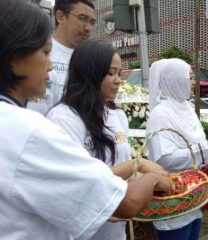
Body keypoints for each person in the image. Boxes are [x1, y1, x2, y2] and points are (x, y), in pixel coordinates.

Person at [0, 1, 172, 239]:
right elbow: (126, 202)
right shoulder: (27, 130)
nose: (50, 66)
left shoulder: (115, 114)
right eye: (45, 52)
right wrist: (150, 175)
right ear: (15, 58)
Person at [47, 39, 152, 240]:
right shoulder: (64, 118)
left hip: (116, 229)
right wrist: (135, 165)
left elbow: (121, 168)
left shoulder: (117, 115)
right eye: (110, 73)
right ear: (89, 73)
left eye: (119, 74)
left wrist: (138, 183)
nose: (118, 80)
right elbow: (76, 183)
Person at [146, 58, 208, 240]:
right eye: (189, 77)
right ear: (174, 80)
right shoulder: (161, 113)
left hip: (193, 195)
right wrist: (207, 146)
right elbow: (164, 158)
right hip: (173, 199)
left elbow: (196, 145)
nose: (194, 82)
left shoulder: (186, 108)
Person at [27, 0, 96, 114]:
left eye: (92, 22)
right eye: (82, 18)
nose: (88, 28)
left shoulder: (91, 60)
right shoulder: (39, 53)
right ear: (60, 17)